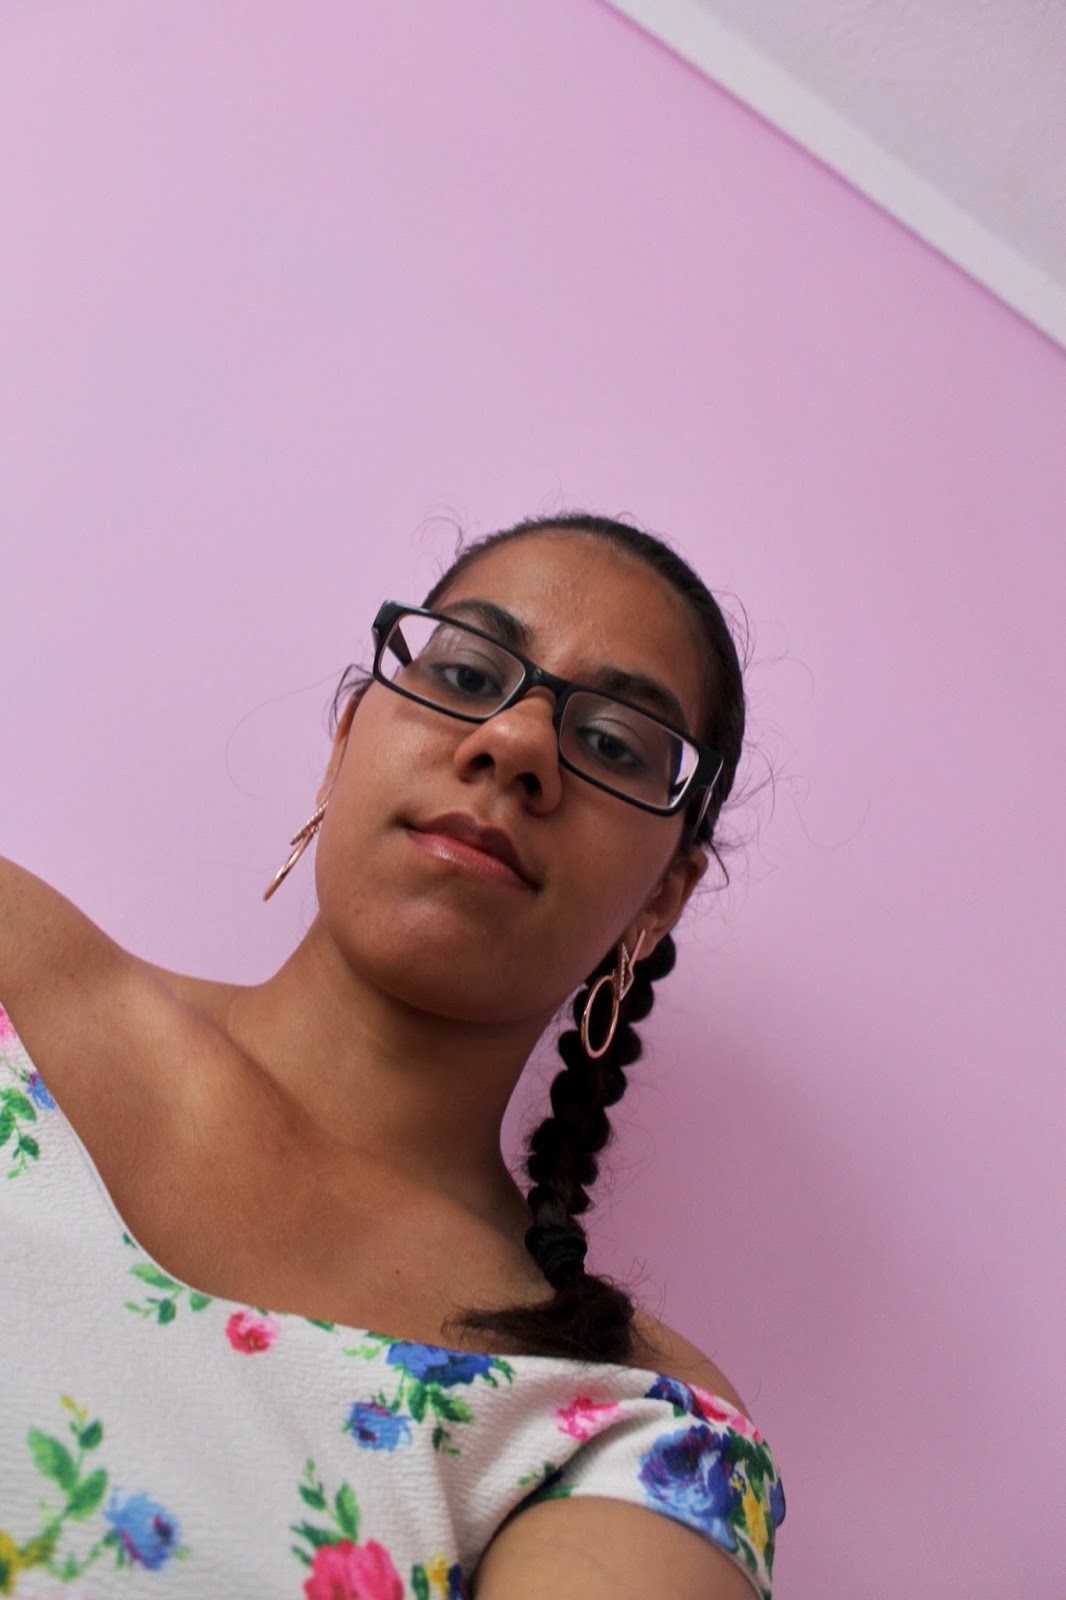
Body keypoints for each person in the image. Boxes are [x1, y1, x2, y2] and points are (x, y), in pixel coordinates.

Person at [0, 513, 785, 1599]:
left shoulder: (641, 1428)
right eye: (466, 673)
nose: (515, 744)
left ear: (662, 898)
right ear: (345, 741)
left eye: (612, 744)